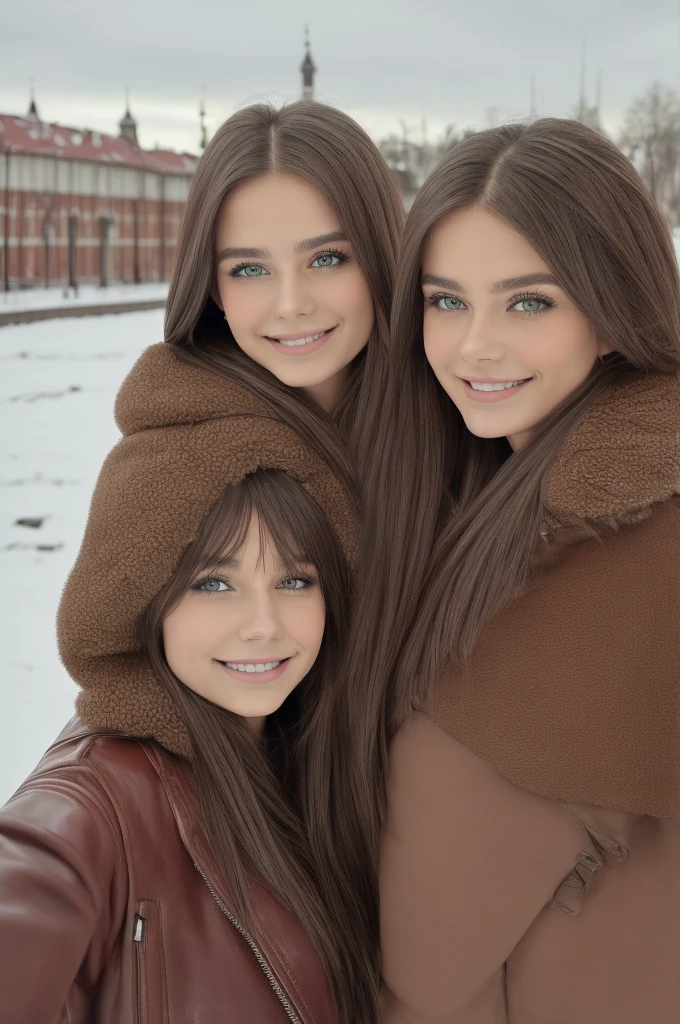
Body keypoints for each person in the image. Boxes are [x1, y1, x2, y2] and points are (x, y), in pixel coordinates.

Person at [327, 118, 680, 1022]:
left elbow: (424, 970)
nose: (475, 345)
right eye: (447, 302)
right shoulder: (485, 490)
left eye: (529, 301)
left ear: (612, 312)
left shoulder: (619, 557)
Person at [0, 347, 373, 1023]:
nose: (263, 626)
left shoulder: (319, 763)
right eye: (214, 583)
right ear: (145, 598)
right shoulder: (94, 804)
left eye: (294, 580)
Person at [165, 99, 404, 488]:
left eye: (325, 259)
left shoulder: (476, 434)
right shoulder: (168, 475)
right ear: (212, 288)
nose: (291, 305)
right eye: (251, 269)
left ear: (379, 253)